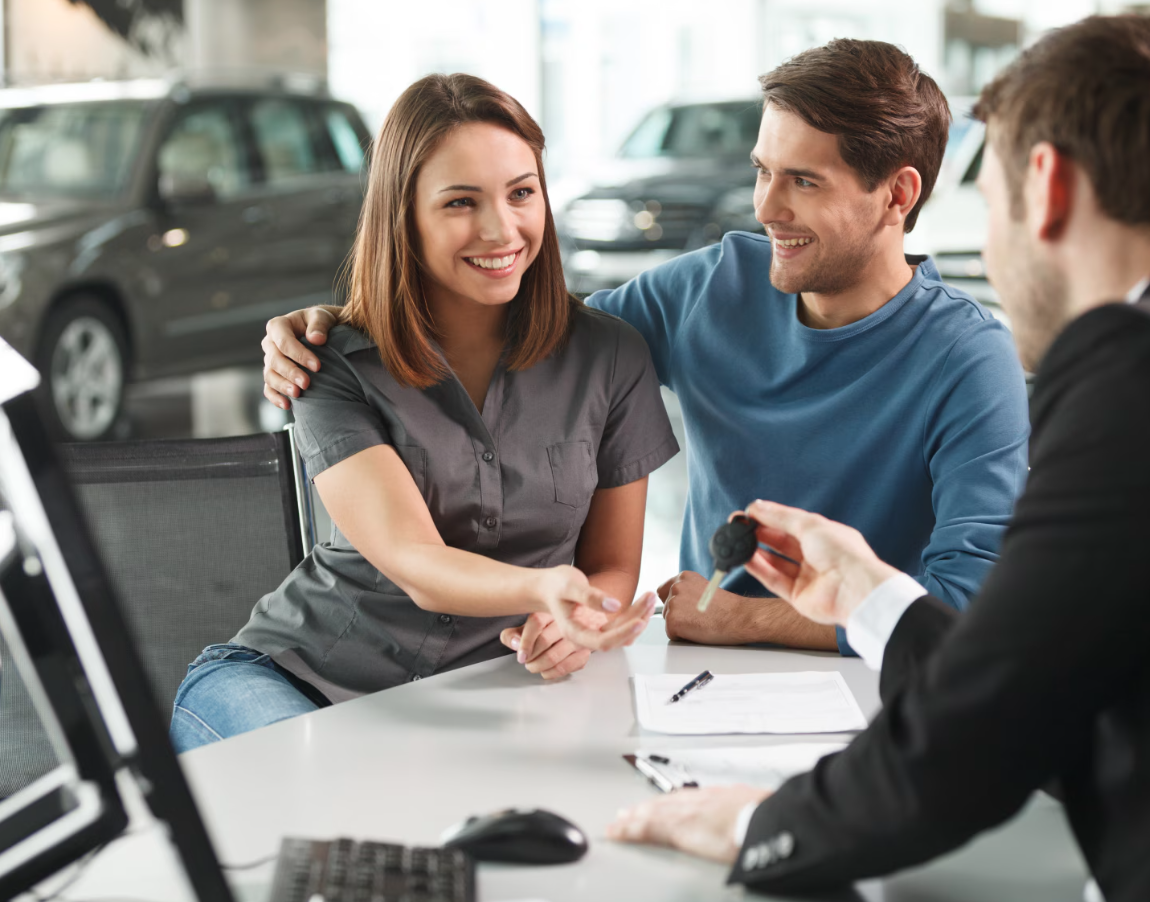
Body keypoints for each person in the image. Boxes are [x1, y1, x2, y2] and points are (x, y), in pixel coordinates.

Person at [606, 15, 1150, 901]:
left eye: (993, 199)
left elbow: (988, 727)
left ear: (1042, 186)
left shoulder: (1145, 365)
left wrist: (752, 827)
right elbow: (1045, 661)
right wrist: (864, 592)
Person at [259, 39, 1031, 663]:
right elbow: (527, 330)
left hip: (874, 685)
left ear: (896, 195)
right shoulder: (705, 290)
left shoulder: (969, 359)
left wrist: (745, 622)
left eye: (802, 181)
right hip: (701, 677)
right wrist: (338, 323)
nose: (766, 207)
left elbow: (967, 605)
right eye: (762, 171)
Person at [169, 74, 675, 751]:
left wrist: (577, 622)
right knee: (331, 807)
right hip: (293, 682)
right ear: (401, 215)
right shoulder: (331, 362)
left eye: (521, 193)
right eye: (461, 202)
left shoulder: (609, 356)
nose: (502, 228)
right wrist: (549, 586)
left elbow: (611, 565)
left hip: (481, 696)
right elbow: (414, 561)